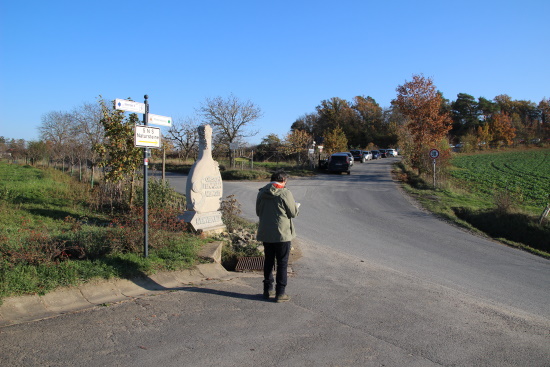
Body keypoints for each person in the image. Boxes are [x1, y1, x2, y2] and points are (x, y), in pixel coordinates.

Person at [256, 170, 300, 302]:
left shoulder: (261, 192)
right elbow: (292, 213)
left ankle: (267, 290)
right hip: (282, 233)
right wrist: (296, 207)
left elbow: (258, 212)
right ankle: (280, 293)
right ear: (283, 180)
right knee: (282, 262)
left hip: (266, 232)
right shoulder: (285, 193)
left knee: (268, 261)